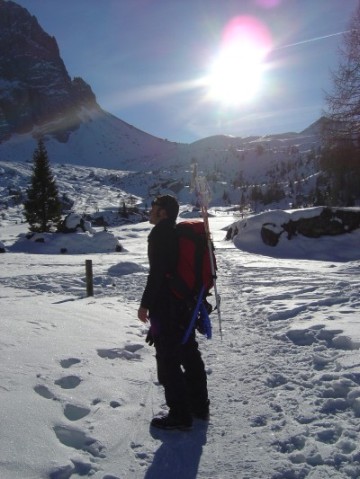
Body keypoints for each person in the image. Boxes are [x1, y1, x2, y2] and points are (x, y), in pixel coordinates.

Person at [138, 194, 209, 431]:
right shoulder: (177, 234)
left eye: (154, 207)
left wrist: (145, 304)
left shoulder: (160, 234)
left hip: (167, 304)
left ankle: (179, 414)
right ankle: (199, 406)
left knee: (168, 357)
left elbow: (157, 273)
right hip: (185, 302)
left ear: (163, 212)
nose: (150, 210)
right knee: (188, 351)